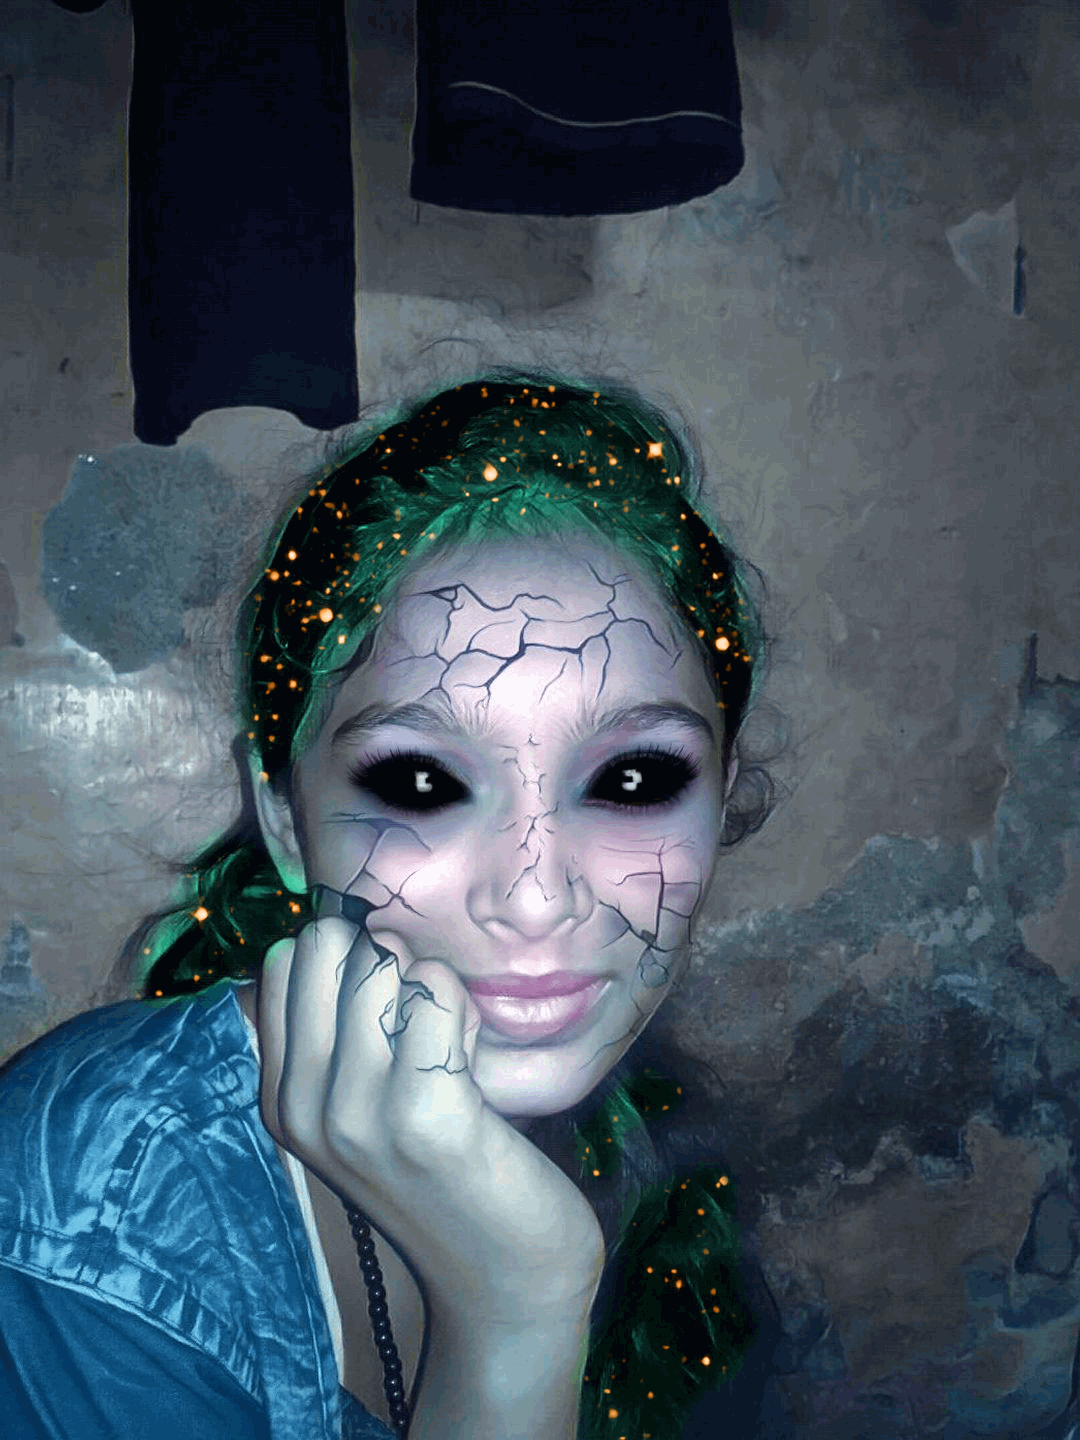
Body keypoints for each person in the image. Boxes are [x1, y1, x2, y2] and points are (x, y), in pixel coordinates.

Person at [0, 372, 775, 1440]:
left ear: (722, 798)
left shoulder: (628, 1129)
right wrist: (516, 1311)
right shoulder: (87, 1217)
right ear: (285, 820)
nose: (535, 899)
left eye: (633, 779)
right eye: (420, 782)